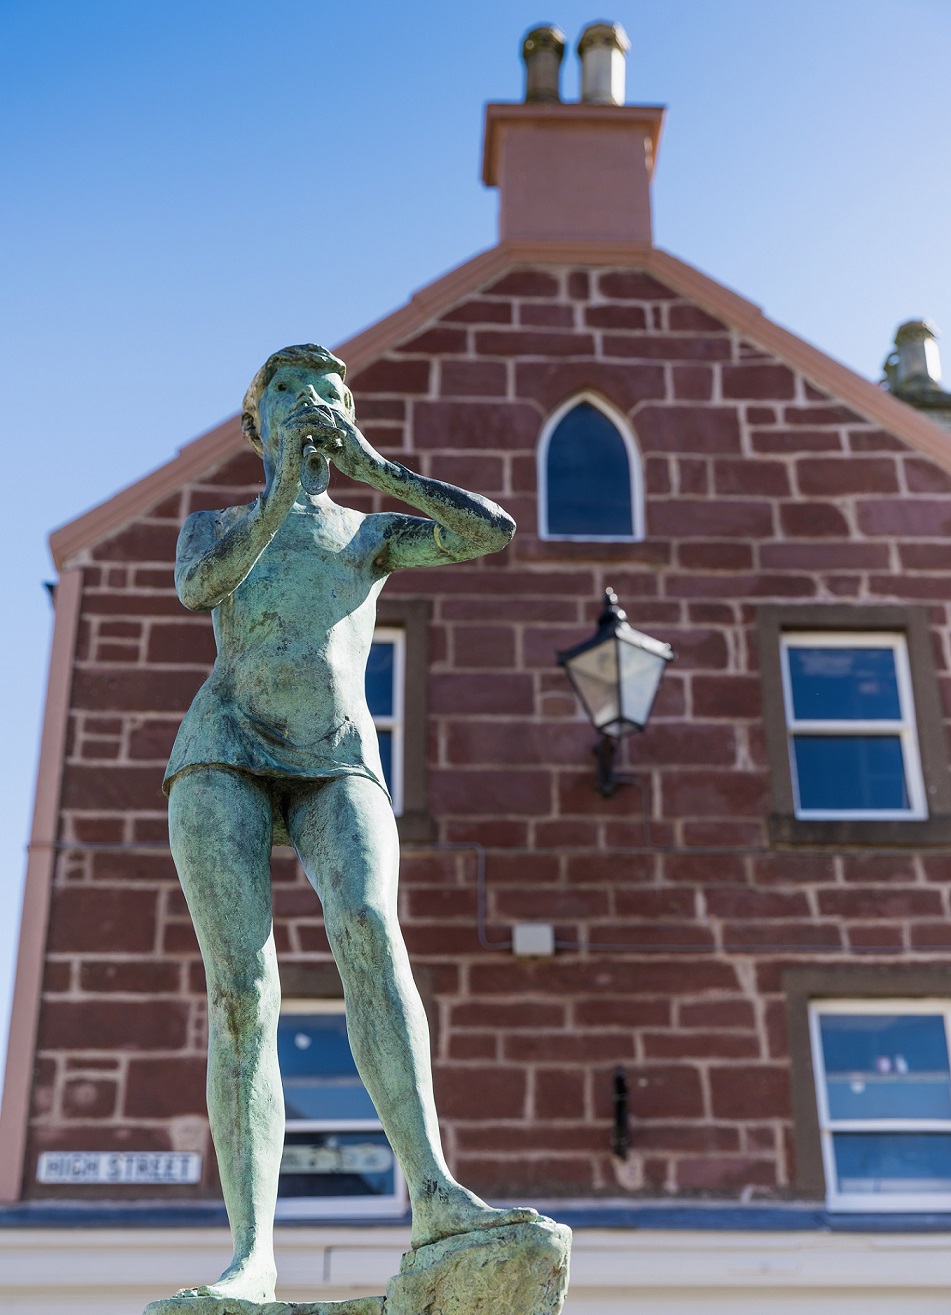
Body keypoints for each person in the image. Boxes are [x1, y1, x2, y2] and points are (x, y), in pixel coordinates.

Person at [164, 344, 533, 1302]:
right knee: (242, 986)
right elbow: (201, 588)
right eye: (289, 390)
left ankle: (437, 1194)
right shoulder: (217, 523)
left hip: (335, 756)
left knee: (369, 928)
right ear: (258, 423)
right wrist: (283, 487)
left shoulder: (368, 533)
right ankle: (252, 1254)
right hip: (223, 751)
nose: (312, 401)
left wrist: (373, 468)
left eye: (328, 390)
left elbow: (487, 532)